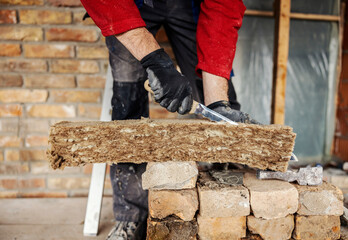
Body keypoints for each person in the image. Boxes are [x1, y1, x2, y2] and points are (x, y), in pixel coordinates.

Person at [80, 0, 257, 239]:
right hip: (132, 3)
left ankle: (229, 207)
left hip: (191, 4)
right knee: (128, 100)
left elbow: (223, 6)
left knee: (218, 99)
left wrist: (216, 103)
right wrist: (155, 61)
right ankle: (131, 217)